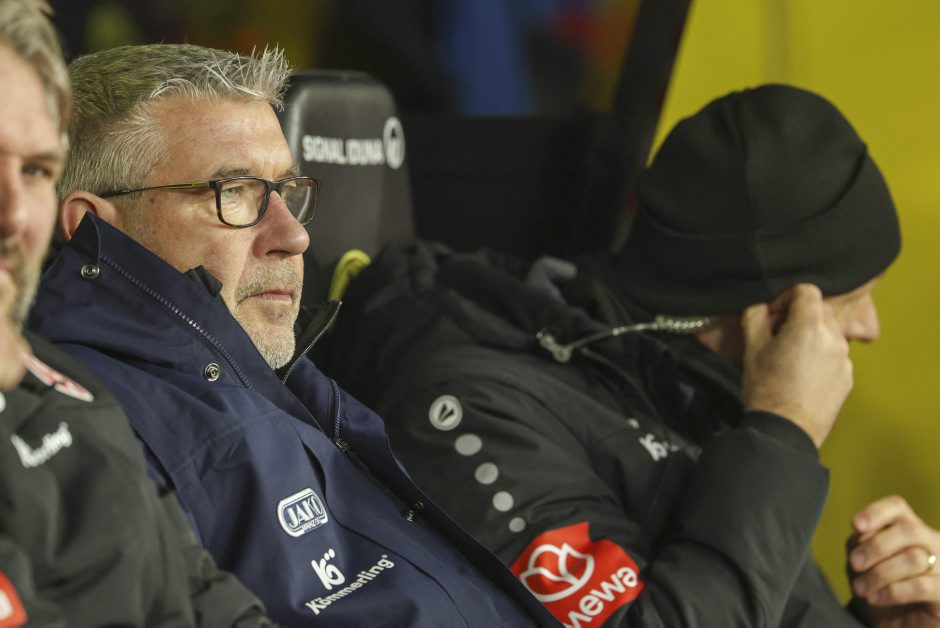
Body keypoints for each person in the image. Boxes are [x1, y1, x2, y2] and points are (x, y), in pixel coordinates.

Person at [322, 84, 940, 626]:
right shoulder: (472, 404)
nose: (870, 327)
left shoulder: (671, 379)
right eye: (850, 299)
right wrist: (784, 429)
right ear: (771, 312)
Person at [27, 42, 556, 626]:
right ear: (94, 227)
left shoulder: (283, 374)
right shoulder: (84, 430)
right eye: (234, 193)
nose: (294, 236)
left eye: (285, 191)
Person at [0, 1, 276, 624]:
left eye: (36, 170)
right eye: (233, 192)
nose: (14, 213)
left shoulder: (66, 388)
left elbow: (208, 600)